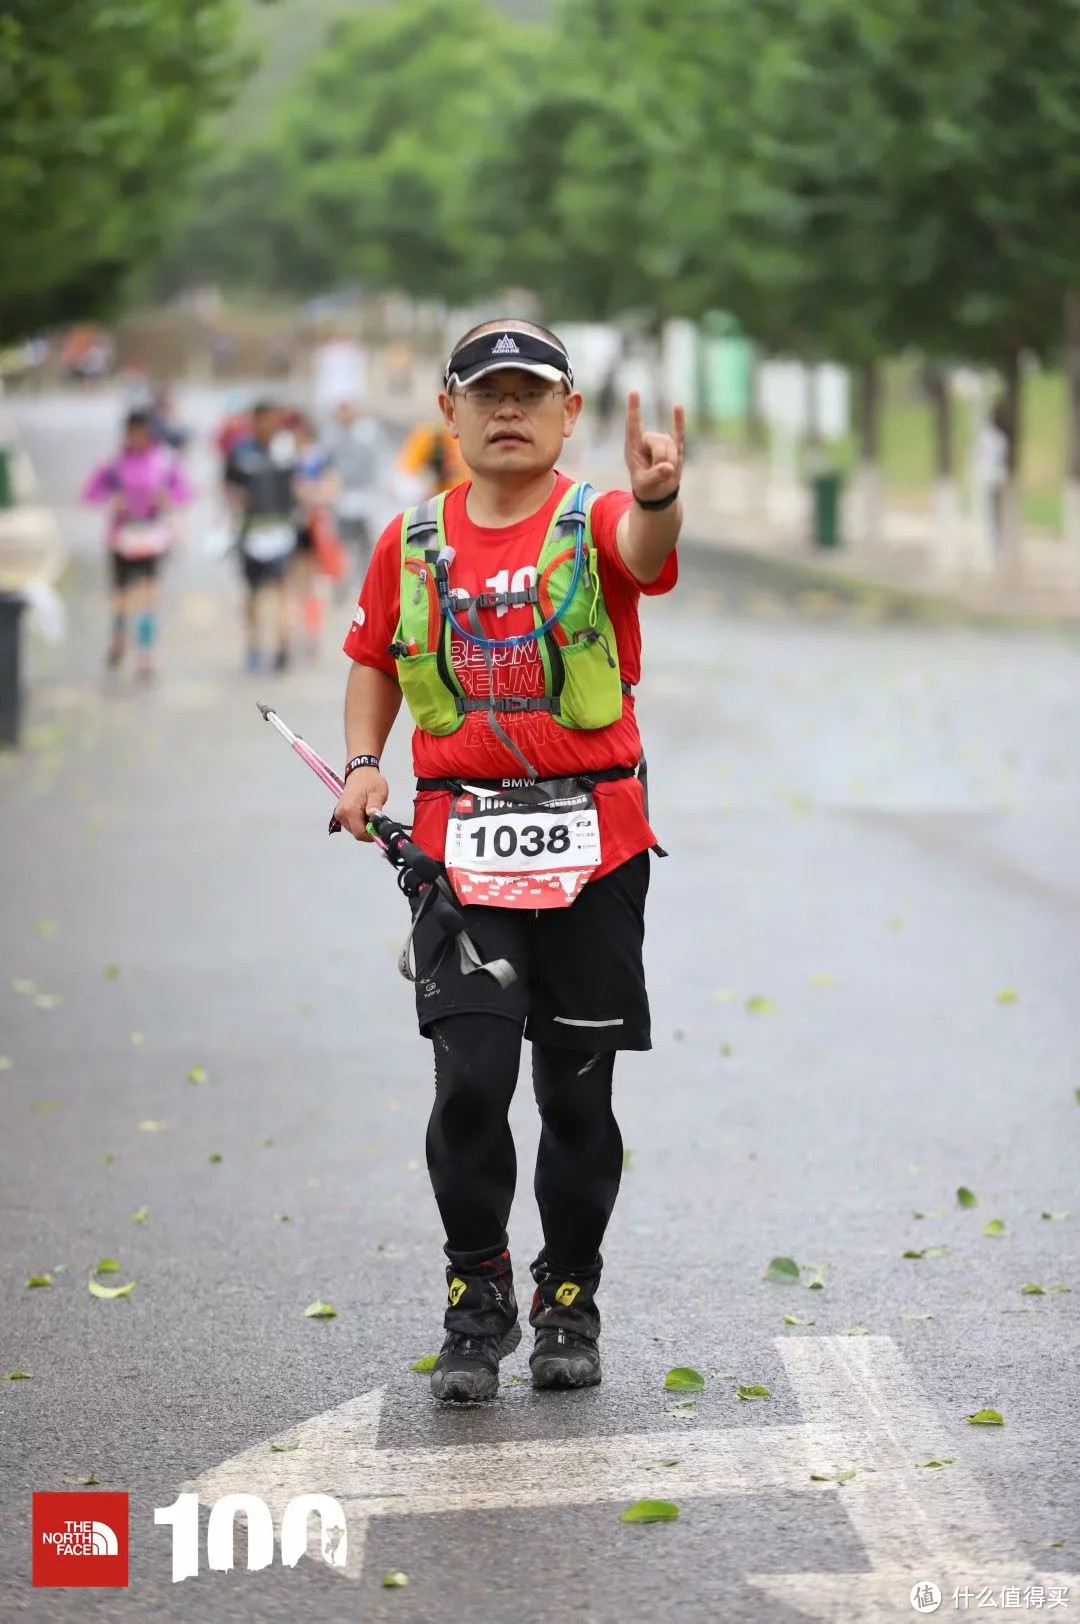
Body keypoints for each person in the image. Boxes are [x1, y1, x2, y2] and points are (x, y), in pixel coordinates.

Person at [333, 319, 684, 1403]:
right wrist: (361, 764)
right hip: (460, 854)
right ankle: (475, 1295)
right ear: (449, 411)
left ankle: (568, 1296)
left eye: (532, 392)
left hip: (595, 850)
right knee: (471, 1086)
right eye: (487, 393)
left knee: (578, 1097)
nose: (509, 409)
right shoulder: (410, 538)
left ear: (569, 413)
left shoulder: (599, 518)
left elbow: (646, 553)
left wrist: (663, 496)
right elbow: (374, 659)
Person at [82, 409, 192, 679]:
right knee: (120, 597)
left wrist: (167, 499)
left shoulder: (164, 461)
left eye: (142, 434)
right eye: (133, 434)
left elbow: (185, 492)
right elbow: (90, 493)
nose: (138, 439)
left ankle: (145, 655)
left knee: (148, 597)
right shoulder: (114, 463)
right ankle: (118, 639)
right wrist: (112, 501)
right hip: (122, 539)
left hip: (152, 538)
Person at [223, 401, 298, 673]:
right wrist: (234, 505)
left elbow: (296, 483)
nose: (270, 425)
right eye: (265, 420)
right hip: (252, 531)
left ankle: (282, 646)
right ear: (254, 421)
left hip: (280, 530)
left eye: (274, 420)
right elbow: (228, 485)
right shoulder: (241, 452)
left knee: (280, 590)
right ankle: (254, 646)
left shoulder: (285, 449)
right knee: (252, 594)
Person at [321, 398, 392, 574]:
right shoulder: (332, 434)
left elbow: (382, 459)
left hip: (367, 496)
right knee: (346, 546)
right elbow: (328, 465)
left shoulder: (368, 431)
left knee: (368, 545)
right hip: (344, 498)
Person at [290, 415, 341, 657]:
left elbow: (330, 490)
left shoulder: (311, 459)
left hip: (312, 525)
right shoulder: (299, 459)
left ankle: (311, 630)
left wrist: (308, 495)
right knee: (308, 583)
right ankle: (309, 630)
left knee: (311, 583)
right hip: (308, 525)